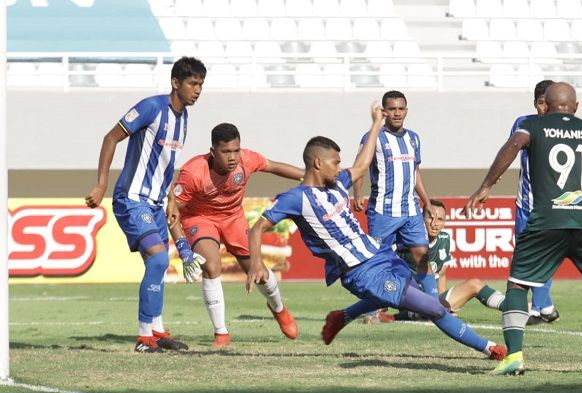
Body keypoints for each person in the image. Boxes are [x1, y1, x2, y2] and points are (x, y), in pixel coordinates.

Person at [246, 103, 507, 362]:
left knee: (408, 296)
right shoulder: (297, 199)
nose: (339, 168)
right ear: (317, 163)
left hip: (379, 253)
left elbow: (361, 166)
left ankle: (343, 316)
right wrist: (256, 262)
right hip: (362, 272)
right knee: (433, 308)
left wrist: (375, 125)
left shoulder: (336, 185)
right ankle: (491, 348)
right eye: (335, 162)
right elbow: (258, 227)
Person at [464, 82, 582, 376]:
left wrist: (486, 185)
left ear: (546, 103)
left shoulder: (533, 126)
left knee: (518, 285)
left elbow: (513, 145)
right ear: (576, 106)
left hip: (547, 220)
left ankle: (514, 355)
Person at [84, 57, 207, 353]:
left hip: (155, 203)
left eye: (201, 84)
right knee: (159, 260)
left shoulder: (184, 119)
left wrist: (172, 199)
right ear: (175, 83)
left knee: (158, 264)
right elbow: (111, 138)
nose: (198, 90)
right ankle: (144, 338)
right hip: (132, 200)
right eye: (193, 83)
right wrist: (101, 184)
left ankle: (158, 330)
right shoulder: (152, 107)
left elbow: (167, 164)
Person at [167, 123, 304, 347]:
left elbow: (275, 167)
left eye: (236, 150)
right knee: (211, 265)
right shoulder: (192, 172)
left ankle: (278, 308)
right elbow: (172, 211)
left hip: (233, 218)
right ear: (213, 152)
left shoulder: (247, 160)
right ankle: (221, 333)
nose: (233, 157)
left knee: (257, 270)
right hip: (200, 219)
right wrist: (183, 248)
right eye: (226, 152)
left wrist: (310, 178)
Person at [352, 91, 439, 300]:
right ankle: (372, 310)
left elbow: (415, 171)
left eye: (401, 109)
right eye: (392, 109)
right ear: (384, 112)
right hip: (383, 211)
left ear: (406, 111)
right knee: (377, 261)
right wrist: (356, 194)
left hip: (410, 210)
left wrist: (426, 202)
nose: (397, 113)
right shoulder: (373, 137)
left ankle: (435, 307)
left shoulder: (413, 138)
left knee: (422, 256)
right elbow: (359, 167)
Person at [374, 199, 506, 323]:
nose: (435, 223)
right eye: (430, 217)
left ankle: (513, 308)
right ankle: (397, 316)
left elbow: (441, 274)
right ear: (421, 218)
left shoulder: (445, 240)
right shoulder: (407, 240)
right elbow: (384, 264)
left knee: (474, 284)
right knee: (432, 307)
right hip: (407, 296)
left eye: (440, 219)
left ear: (445, 223)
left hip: (430, 298)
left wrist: (441, 301)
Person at [511, 80, 561, 326]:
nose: (544, 108)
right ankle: (547, 307)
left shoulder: (564, 130)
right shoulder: (523, 123)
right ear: (535, 103)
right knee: (524, 257)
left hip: (551, 207)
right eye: (541, 103)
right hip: (524, 206)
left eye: (548, 103)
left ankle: (536, 310)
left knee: (543, 257)